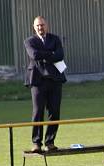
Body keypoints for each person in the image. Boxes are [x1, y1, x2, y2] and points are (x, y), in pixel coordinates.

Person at [24, 16, 66, 153]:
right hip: (37, 80)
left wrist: (45, 56)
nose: (40, 28)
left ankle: (50, 142)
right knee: (38, 112)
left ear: (46, 25)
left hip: (55, 79)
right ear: (34, 27)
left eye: (42, 25)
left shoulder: (55, 39)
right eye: (38, 26)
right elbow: (34, 55)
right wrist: (50, 54)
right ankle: (36, 143)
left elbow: (60, 55)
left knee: (54, 111)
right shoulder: (29, 41)